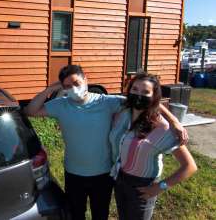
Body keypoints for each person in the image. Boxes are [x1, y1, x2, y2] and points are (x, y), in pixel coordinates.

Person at [24, 65, 187, 220]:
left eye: (76, 83)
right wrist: (50, 89)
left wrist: (173, 120)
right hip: (73, 173)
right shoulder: (60, 105)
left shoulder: (106, 101)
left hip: (103, 174)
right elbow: (30, 111)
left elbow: (145, 101)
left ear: (85, 80)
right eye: (67, 86)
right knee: (75, 214)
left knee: (100, 214)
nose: (73, 88)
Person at [109, 72, 197, 220]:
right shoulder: (124, 112)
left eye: (145, 92)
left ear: (153, 96)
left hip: (144, 185)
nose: (138, 95)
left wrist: (160, 187)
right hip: (121, 179)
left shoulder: (162, 127)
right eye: (135, 89)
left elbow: (190, 166)